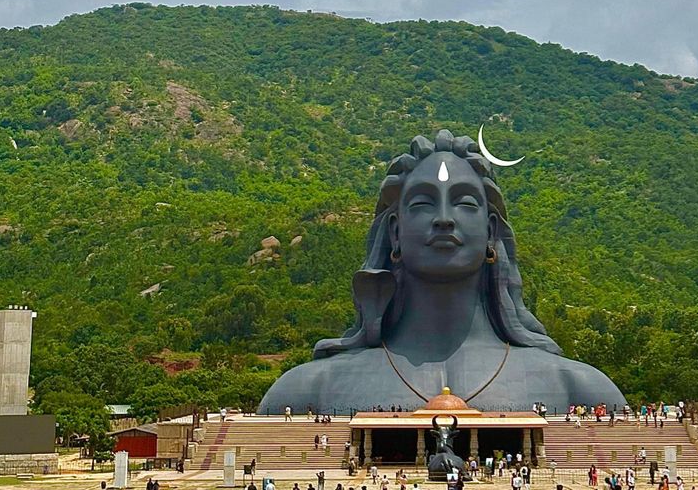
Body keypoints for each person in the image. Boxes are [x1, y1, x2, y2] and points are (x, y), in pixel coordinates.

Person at [258, 130, 627, 412]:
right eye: (423, 203)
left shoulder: (577, 387)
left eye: (465, 202)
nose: (445, 219)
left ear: (491, 231)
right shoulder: (309, 390)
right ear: (395, 232)